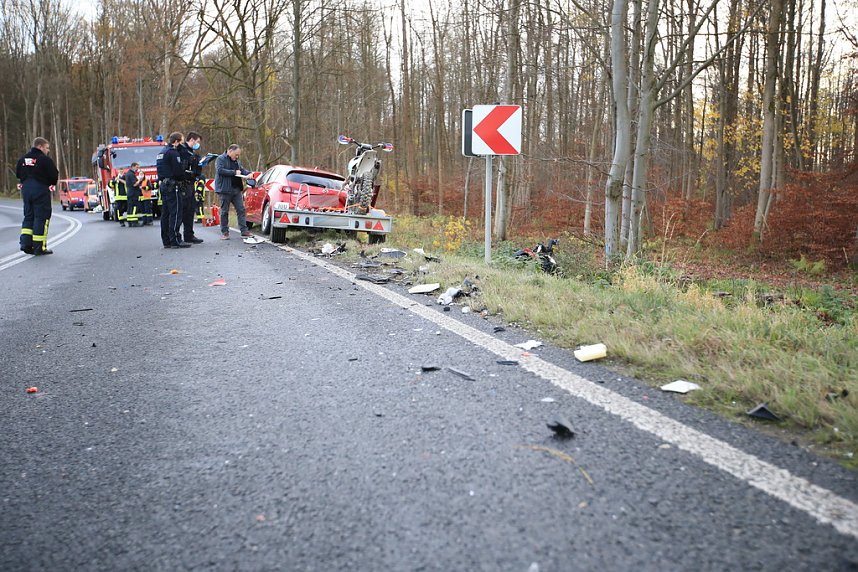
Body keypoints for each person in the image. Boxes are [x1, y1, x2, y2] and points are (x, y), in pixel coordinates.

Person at [16, 137, 58, 255]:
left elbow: (18, 173)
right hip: (40, 190)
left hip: (26, 191)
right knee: (41, 217)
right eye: (46, 148)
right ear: (40, 146)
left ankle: (25, 244)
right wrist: (50, 183)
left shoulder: (22, 159)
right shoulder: (45, 160)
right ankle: (39, 247)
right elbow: (54, 175)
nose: (47, 150)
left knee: (28, 216)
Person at [156, 132, 191, 248]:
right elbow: (178, 171)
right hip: (172, 186)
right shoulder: (173, 153)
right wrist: (185, 176)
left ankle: (166, 240)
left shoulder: (162, 152)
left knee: (165, 214)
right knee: (175, 213)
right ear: (176, 141)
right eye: (181, 141)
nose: (182, 144)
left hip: (164, 185)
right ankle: (175, 239)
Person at [214, 144, 253, 240]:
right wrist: (234, 172)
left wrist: (248, 173)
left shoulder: (236, 161)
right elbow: (220, 171)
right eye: (236, 154)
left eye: (238, 155)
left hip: (236, 189)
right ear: (230, 151)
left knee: (241, 209)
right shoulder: (220, 159)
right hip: (225, 189)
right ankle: (225, 232)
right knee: (224, 211)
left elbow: (241, 170)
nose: (237, 157)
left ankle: (244, 231)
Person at [177, 131, 204, 243]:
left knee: (190, 210)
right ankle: (177, 236)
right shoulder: (182, 151)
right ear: (192, 140)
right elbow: (182, 167)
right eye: (197, 142)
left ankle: (189, 235)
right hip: (183, 184)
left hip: (191, 184)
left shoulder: (192, 152)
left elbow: (195, 169)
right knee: (182, 211)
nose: (198, 144)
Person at [123, 162, 143, 227]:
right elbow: (134, 184)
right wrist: (139, 180)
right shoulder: (131, 174)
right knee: (134, 208)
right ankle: (134, 222)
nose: (137, 169)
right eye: (137, 167)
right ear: (133, 167)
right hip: (133, 193)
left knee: (130, 208)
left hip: (130, 193)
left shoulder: (127, 174)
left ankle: (130, 221)